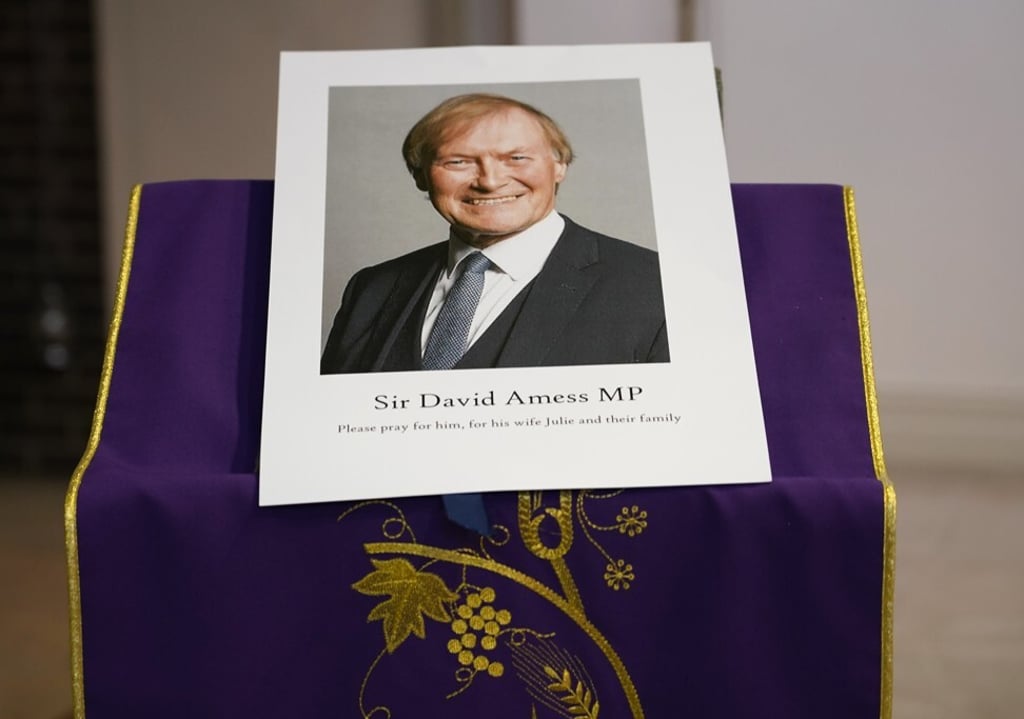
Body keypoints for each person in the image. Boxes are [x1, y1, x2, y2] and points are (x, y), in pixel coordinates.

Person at [320, 92, 669, 374]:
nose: (489, 181)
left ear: (560, 165)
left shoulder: (654, 284)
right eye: (458, 161)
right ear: (421, 176)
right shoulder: (371, 289)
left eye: (516, 158)